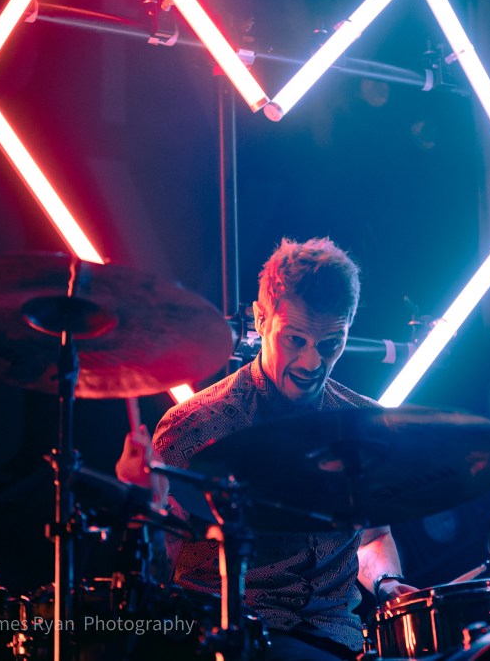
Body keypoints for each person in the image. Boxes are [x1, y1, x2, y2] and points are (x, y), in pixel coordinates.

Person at [117, 237, 415, 660]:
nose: (312, 363)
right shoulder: (194, 427)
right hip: (226, 637)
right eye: (295, 339)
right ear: (261, 320)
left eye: (330, 344)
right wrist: (143, 506)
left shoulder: (363, 423)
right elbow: (155, 579)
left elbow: (372, 537)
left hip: (336, 638)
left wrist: (387, 584)